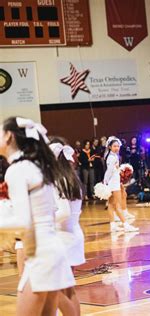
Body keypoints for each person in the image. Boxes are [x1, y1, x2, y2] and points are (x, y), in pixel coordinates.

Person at [0, 117, 75, 315]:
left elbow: (23, 222)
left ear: (8, 136)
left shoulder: (17, 170)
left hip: (42, 254)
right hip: (49, 250)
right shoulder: (33, 167)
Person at [49, 138, 84, 316]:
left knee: (55, 290)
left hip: (63, 237)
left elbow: (63, 212)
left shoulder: (58, 180)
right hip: (74, 234)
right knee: (68, 291)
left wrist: (43, 222)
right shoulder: (72, 178)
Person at [104, 137, 139, 233]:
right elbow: (109, 171)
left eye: (118, 146)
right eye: (114, 146)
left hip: (113, 182)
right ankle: (125, 225)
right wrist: (105, 181)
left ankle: (113, 225)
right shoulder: (111, 157)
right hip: (113, 184)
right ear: (110, 147)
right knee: (117, 205)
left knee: (111, 204)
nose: (116, 148)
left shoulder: (113, 156)